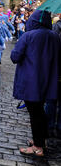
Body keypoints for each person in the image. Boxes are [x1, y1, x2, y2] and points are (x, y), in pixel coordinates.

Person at [11, 9, 60, 157]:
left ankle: (38, 147)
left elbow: (15, 56)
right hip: (48, 81)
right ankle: (40, 140)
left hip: (31, 81)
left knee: (35, 113)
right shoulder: (54, 36)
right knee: (40, 111)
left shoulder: (28, 35)